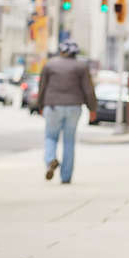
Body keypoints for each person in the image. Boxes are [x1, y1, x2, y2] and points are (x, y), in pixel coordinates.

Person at [37, 40, 97, 184]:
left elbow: (42, 87)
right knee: (69, 141)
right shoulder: (81, 66)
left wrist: (39, 105)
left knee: (51, 137)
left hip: (52, 106)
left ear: (61, 51)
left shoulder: (50, 64)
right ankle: (66, 177)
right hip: (74, 107)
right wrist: (93, 109)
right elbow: (88, 90)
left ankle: (51, 159)